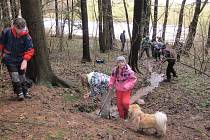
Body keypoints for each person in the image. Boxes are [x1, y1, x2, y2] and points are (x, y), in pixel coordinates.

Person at [0, 17, 34, 100]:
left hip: (21, 59)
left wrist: (25, 60)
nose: (21, 31)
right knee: (15, 75)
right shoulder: (6, 32)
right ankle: (19, 93)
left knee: (22, 76)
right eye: (19, 29)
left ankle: (25, 92)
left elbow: (30, 50)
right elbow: (1, 44)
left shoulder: (27, 36)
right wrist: (2, 54)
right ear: (14, 26)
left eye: (22, 29)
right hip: (9, 58)